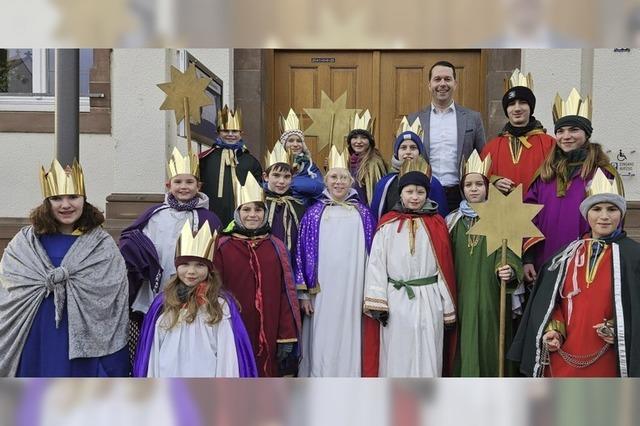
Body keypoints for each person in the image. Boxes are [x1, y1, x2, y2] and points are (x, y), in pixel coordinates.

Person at [0, 159, 129, 377]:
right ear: (47, 202)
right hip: (34, 330)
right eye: (57, 198)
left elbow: (114, 292)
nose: (65, 205)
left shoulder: (102, 244)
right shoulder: (26, 241)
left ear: (84, 199)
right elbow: (9, 285)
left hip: (84, 338)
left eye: (73, 197)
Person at [508, 169, 640, 377]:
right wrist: (553, 330)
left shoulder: (634, 256)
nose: (604, 216)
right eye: (596, 209)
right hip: (564, 354)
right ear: (586, 214)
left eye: (612, 209)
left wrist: (623, 329)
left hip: (610, 355)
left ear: (621, 214)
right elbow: (551, 302)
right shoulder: (565, 255)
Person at [119, 147, 221, 361]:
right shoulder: (156, 215)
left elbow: (214, 254)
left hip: (194, 284)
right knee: (160, 330)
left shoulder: (208, 218)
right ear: (169, 185)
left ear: (198, 186)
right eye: (178, 182)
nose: (184, 187)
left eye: (189, 182)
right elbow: (136, 240)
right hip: (159, 282)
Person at [363, 159, 457, 377]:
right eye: (409, 191)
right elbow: (376, 263)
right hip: (396, 299)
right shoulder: (387, 224)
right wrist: (378, 303)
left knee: (429, 350)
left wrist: (447, 309)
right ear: (401, 193)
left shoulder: (437, 224)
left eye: (420, 192)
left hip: (429, 299)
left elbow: (444, 269)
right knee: (397, 352)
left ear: (427, 194)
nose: (415, 197)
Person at [522, 88, 623, 282]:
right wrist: (528, 258)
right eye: (560, 131)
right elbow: (528, 218)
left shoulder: (603, 172)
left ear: (586, 133)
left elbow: (614, 218)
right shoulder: (545, 173)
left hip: (587, 261)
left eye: (573, 130)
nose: (566, 136)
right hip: (545, 260)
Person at [132, 221, 257, 377]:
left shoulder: (220, 304)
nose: (191, 271)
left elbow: (228, 355)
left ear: (209, 269)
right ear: (176, 267)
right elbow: (152, 352)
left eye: (199, 265)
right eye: (185, 264)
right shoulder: (163, 303)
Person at [296, 146, 376, 377]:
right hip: (322, 293)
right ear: (325, 181)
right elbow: (301, 254)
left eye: (343, 177)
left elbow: (373, 254)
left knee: (353, 336)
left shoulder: (363, 213)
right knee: (323, 338)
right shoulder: (313, 214)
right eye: (333, 177)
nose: (339, 182)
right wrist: (303, 294)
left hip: (354, 288)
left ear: (351, 181)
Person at [214, 173, 301, 377]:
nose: (252, 215)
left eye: (258, 209)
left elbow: (285, 293)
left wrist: (286, 335)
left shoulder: (275, 246)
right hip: (234, 326)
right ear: (237, 212)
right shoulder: (223, 246)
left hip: (269, 330)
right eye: (246, 209)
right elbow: (215, 291)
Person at [445, 150, 523, 376]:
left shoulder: (501, 217)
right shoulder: (452, 221)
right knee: (463, 339)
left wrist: (510, 270)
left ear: (488, 187)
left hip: (491, 292)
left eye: (479, 183)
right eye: (469, 185)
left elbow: (510, 251)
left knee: (491, 336)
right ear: (462, 189)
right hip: (461, 291)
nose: (474, 189)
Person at [408, 60, 486, 212]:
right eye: (437, 79)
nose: (442, 83)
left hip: (461, 195)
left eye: (447, 79)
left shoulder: (472, 118)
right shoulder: (414, 120)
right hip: (425, 194)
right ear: (429, 85)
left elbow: (483, 155)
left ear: (455, 84)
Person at [481, 69, 556, 195]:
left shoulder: (550, 144)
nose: (517, 108)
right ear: (506, 110)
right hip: (503, 211)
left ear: (531, 108)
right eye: (511, 104)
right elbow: (478, 179)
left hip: (539, 210)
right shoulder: (492, 147)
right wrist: (494, 181)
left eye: (523, 103)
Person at [370, 118, 448, 219]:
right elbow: (377, 216)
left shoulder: (432, 182)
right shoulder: (385, 183)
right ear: (396, 152)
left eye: (413, 148)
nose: (408, 151)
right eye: (403, 147)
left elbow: (441, 217)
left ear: (419, 152)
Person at [199, 105, 263, 225]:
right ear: (218, 132)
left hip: (242, 216)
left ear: (241, 133)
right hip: (211, 213)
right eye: (225, 131)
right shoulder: (205, 159)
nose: (230, 134)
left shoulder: (250, 161)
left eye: (234, 131)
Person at [263, 142, 307, 272]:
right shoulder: (257, 206)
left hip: (291, 268)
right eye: (276, 175)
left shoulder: (299, 207)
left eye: (287, 177)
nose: (281, 182)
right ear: (265, 177)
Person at [280, 108, 325, 206]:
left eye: (299, 141)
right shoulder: (276, 162)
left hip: (304, 211)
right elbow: (267, 185)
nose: (295, 144)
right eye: (291, 141)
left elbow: (319, 187)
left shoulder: (309, 164)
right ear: (284, 144)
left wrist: (289, 185)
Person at [346, 110, 387, 205]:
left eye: (364, 138)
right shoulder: (347, 160)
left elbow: (375, 194)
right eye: (355, 137)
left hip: (364, 210)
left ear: (370, 142)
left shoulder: (374, 163)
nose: (358, 141)